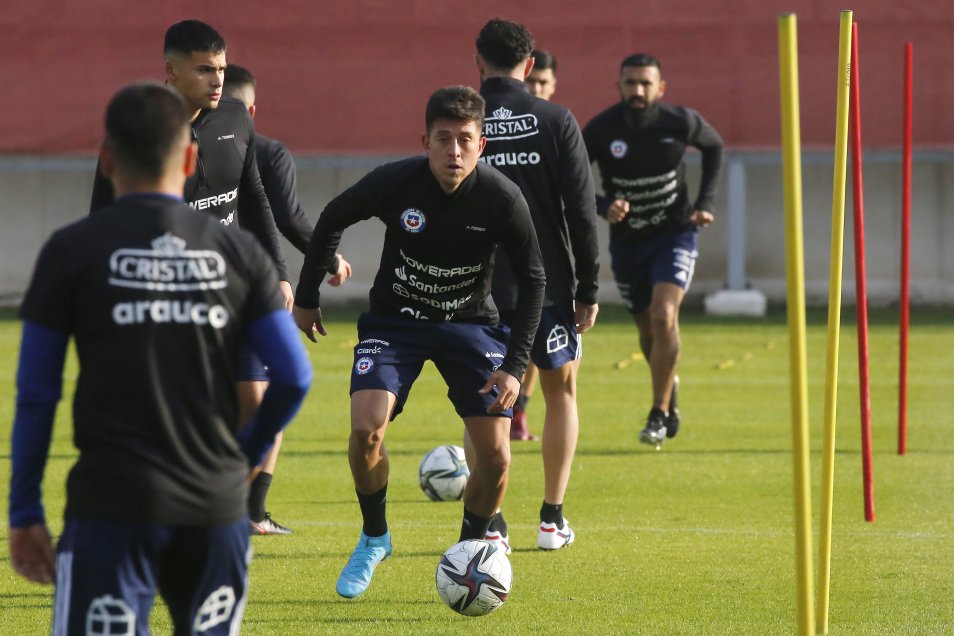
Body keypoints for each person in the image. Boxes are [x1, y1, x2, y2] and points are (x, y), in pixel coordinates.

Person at [8, 83, 312, 634]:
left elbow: (36, 394)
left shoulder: (71, 250)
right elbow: (293, 376)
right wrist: (240, 456)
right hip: (215, 508)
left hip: (111, 505)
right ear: (192, 158)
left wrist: (25, 509)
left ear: (106, 160)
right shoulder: (239, 253)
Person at [293, 85, 545, 599]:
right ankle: (374, 536)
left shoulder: (502, 198)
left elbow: (535, 278)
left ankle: (470, 551)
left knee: (496, 458)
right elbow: (333, 218)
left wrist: (515, 367)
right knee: (366, 430)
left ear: (482, 146)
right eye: (443, 139)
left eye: (465, 141)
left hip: (472, 326)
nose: (454, 151)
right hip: (395, 323)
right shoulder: (396, 182)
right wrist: (306, 294)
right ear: (425, 141)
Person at [473, 19, 600, 553]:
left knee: (483, 403)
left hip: (475, 288)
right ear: (529, 66)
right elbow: (581, 208)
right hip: (545, 286)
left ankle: (491, 522)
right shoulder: (555, 119)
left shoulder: (461, 117)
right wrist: (589, 286)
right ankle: (552, 519)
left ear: (478, 63)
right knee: (560, 392)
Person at [223, 63, 353, 535]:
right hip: (251, 295)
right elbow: (289, 217)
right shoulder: (267, 151)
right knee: (270, 397)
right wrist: (329, 260)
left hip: (197, 291)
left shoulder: (183, 144)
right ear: (253, 109)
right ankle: (250, 511)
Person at [583, 53, 723, 447]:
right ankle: (669, 389)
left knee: (665, 314)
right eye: (631, 83)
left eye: (646, 83)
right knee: (647, 328)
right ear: (619, 86)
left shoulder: (679, 122)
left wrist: (705, 202)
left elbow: (714, 148)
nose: (638, 91)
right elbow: (569, 176)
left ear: (661, 88)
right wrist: (601, 205)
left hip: (674, 234)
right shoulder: (602, 129)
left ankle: (658, 412)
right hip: (629, 244)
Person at [510, 47, 560, 441]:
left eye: (543, 82)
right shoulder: (501, 129)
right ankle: (513, 412)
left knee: (547, 356)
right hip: (503, 257)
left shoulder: (559, 128)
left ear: (554, 85)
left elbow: (578, 196)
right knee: (517, 340)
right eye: (531, 81)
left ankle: (520, 411)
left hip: (549, 259)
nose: (537, 88)